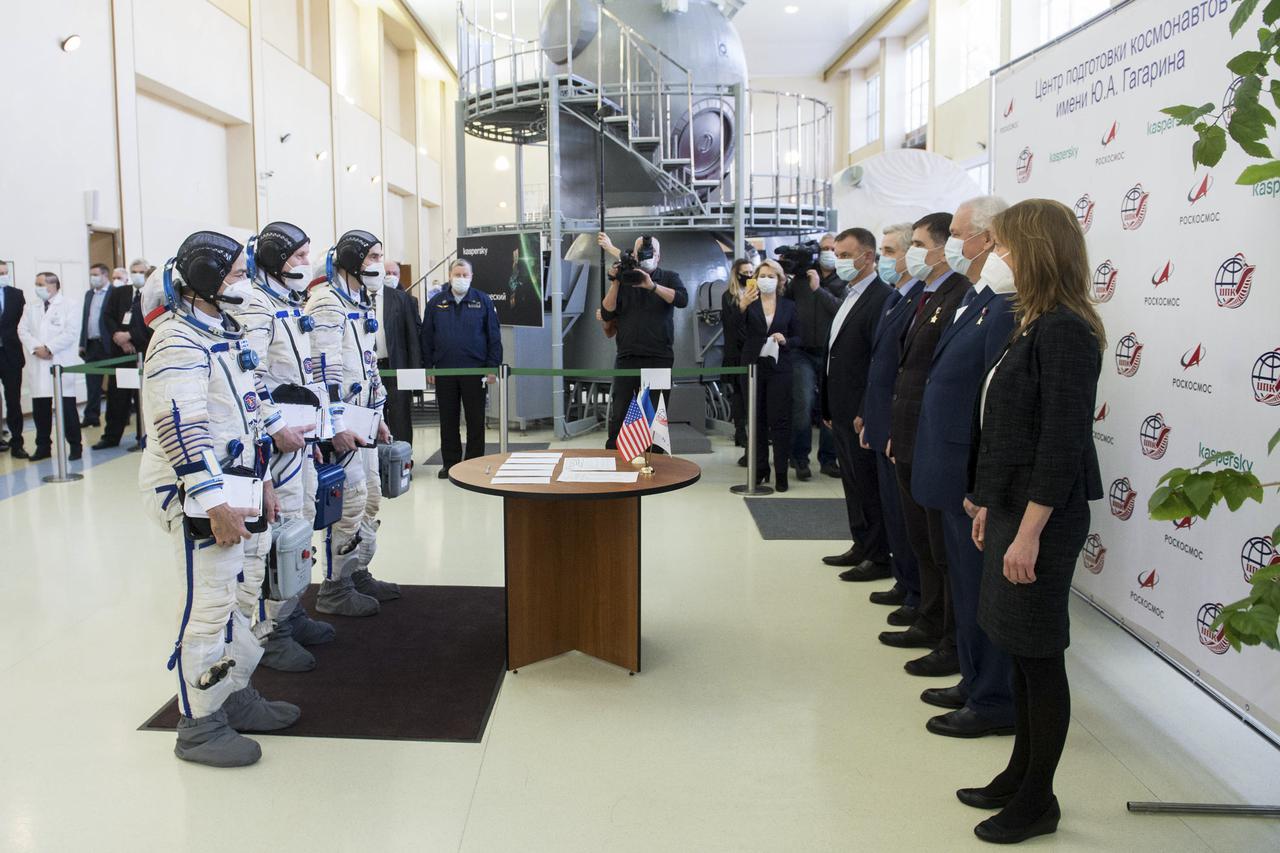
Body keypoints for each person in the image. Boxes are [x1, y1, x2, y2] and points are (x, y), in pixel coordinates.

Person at [960, 198, 1103, 844]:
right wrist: (991, 502)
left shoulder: (1066, 330)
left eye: (1009, 248)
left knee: (1040, 655)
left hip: (1044, 515)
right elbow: (1008, 425)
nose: (999, 257)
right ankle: (1018, 772)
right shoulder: (1034, 321)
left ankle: (1038, 798)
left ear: (1038, 252)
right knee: (1017, 649)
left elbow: (1061, 443)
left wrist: (1029, 530)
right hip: (1018, 506)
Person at [137, 231, 300, 767]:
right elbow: (180, 430)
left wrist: (267, 481)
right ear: (207, 282)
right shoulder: (177, 341)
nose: (242, 283)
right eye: (232, 275)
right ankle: (199, 724)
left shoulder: (223, 334)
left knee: (245, 597)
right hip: (201, 494)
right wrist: (214, 502)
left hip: (243, 483)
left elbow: (252, 406)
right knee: (210, 610)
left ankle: (234, 694)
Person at [909, 197, 1017, 739]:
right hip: (945, 463)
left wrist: (981, 483)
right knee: (961, 580)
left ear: (988, 238)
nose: (954, 243)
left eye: (957, 233)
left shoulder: (1004, 307)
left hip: (968, 472)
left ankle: (993, 696)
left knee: (979, 589)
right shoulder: (976, 298)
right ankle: (973, 679)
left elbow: (994, 405)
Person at [229, 221, 335, 672]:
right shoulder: (255, 304)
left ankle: (290, 612)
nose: (304, 264)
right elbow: (249, 376)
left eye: (307, 255)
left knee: (302, 522)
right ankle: (270, 632)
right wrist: (273, 429)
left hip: (299, 431)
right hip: (278, 438)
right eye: (295, 256)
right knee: (282, 529)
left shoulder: (287, 302)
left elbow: (303, 371)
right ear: (273, 259)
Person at [879, 212, 969, 680]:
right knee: (923, 538)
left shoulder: (959, 295)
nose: (912, 253)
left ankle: (944, 631)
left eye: (917, 244)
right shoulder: (929, 296)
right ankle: (930, 615)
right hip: (912, 432)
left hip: (936, 440)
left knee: (941, 548)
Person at [306, 229, 397, 615]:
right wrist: (334, 426)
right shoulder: (326, 303)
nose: (378, 264)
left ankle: (357, 569)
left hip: (363, 418)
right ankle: (334, 588)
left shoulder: (360, 300)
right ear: (353, 259)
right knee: (350, 502)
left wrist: (376, 415)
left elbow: (369, 364)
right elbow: (323, 375)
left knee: (371, 498)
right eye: (373, 257)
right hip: (341, 423)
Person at [853, 224, 923, 629]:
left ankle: (916, 594)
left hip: (900, 425)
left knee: (907, 517)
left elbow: (906, 371)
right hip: (880, 418)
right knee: (894, 513)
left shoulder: (917, 301)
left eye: (904, 248)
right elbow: (877, 363)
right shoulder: (897, 298)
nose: (893, 257)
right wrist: (867, 409)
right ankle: (904, 582)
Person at [820, 228, 891, 577]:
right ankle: (860, 543)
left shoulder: (881, 298)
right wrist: (828, 406)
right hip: (841, 405)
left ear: (867, 257)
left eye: (846, 255)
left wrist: (865, 409)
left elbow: (878, 361)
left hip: (861, 409)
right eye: (837, 253)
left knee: (868, 483)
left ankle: (877, 556)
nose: (839, 260)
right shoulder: (848, 295)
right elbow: (834, 353)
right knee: (850, 480)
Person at [596, 233, 688, 449]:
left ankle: (655, 466)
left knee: (655, 417)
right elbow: (608, 313)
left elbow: (682, 300)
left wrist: (651, 286)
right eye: (641, 252)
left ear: (659, 256)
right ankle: (616, 463)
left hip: (658, 357)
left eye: (651, 252)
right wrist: (616, 282)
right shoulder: (624, 278)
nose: (647, 256)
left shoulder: (669, 277)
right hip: (627, 357)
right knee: (620, 415)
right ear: (634, 256)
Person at [420, 259, 502, 478]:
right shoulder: (436, 302)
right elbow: (426, 337)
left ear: (472, 277)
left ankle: (474, 464)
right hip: (445, 371)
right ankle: (451, 464)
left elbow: (494, 336)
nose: (461, 279)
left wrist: (492, 367)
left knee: (475, 420)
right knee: (448, 420)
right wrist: (429, 368)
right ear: (449, 276)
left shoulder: (482, 301)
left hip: (475, 372)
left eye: (465, 275)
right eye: (457, 274)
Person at [740, 259, 800, 491]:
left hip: (780, 367)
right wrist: (742, 306)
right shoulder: (749, 303)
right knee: (756, 420)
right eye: (762, 275)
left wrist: (786, 340)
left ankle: (781, 472)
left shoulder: (789, 306)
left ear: (780, 280)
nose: (766, 280)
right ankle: (760, 469)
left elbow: (798, 337)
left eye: (771, 276)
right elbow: (734, 333)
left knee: (780, 420)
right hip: (753, 367)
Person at [790, 232, 843, 480]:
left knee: (829, 408)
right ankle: (800, 457)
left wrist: (818, 289)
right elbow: (786, 305)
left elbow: (839, 308)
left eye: (833, 248)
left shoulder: (844, 280)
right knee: (802, 404)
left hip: (831, 352)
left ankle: (828, 458)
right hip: (802, 352)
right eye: (824, 248)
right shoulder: (800, 279)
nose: (828, 252)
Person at [18, 272, 85, 461]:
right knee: (41, 410)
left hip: (60, 362)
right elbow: (22, 330)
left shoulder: (69, 305)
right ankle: (43, 447)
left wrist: (49, 348)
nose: (37, 287)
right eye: (36, 283)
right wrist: (35, 348)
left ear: (53, 285)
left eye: (40, 284)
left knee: (67, 409)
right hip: (38, 363)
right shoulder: (30, 306)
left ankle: (75, 446)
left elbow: (71, 332)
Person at [95, 258, 151, 450]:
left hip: (143, 353)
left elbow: (152, 322)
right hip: (121, 353)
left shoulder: (152, 295)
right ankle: (111, 436)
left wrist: (131, 336)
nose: (137, 275)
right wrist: (118, 336)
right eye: (134, 271)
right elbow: (108, 316)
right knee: (117, 396)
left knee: (143, 398)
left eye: (141, 271)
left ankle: (143, 437)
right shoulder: (120, 293)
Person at [377, 259, 423, 446]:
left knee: (400, 415)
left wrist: (415, 378)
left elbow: (413, 338)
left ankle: (403, 460)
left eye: (394, 273)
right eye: (387, 272)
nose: (390, 276)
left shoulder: (405, 300)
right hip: (373, 367)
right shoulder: (363, 297)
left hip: (397, 366)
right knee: (376, 414)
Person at [721, 258, 755, 459]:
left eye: (752, 271)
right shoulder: (729, 297)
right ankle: (740, 431)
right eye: (745, 272)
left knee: (751, 394)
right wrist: (743, 305)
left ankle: (754, 432)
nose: (749, 275)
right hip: (736, 351)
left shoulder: (759, 295)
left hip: (754, 349)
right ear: (737, 273)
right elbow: (730, 324)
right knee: (739, 395)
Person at [79, 262, 113, 427]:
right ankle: (91, 416)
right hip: (91, 344)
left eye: (96, 274)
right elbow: (85, 319)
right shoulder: (89, 294)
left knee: (114, 384)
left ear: (105, 275)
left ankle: (116, 418)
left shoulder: (114, 293)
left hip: (109, 344)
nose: (93, 278)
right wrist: (82, 342)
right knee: (92, 384)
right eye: (91, 275)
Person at [0, 260, 27, 456]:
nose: (4, 276)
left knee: (13, 399)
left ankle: (17, 442)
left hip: (11, 354)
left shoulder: (16, 295)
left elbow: (22, 324)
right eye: (1, 273)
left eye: (5, 272)